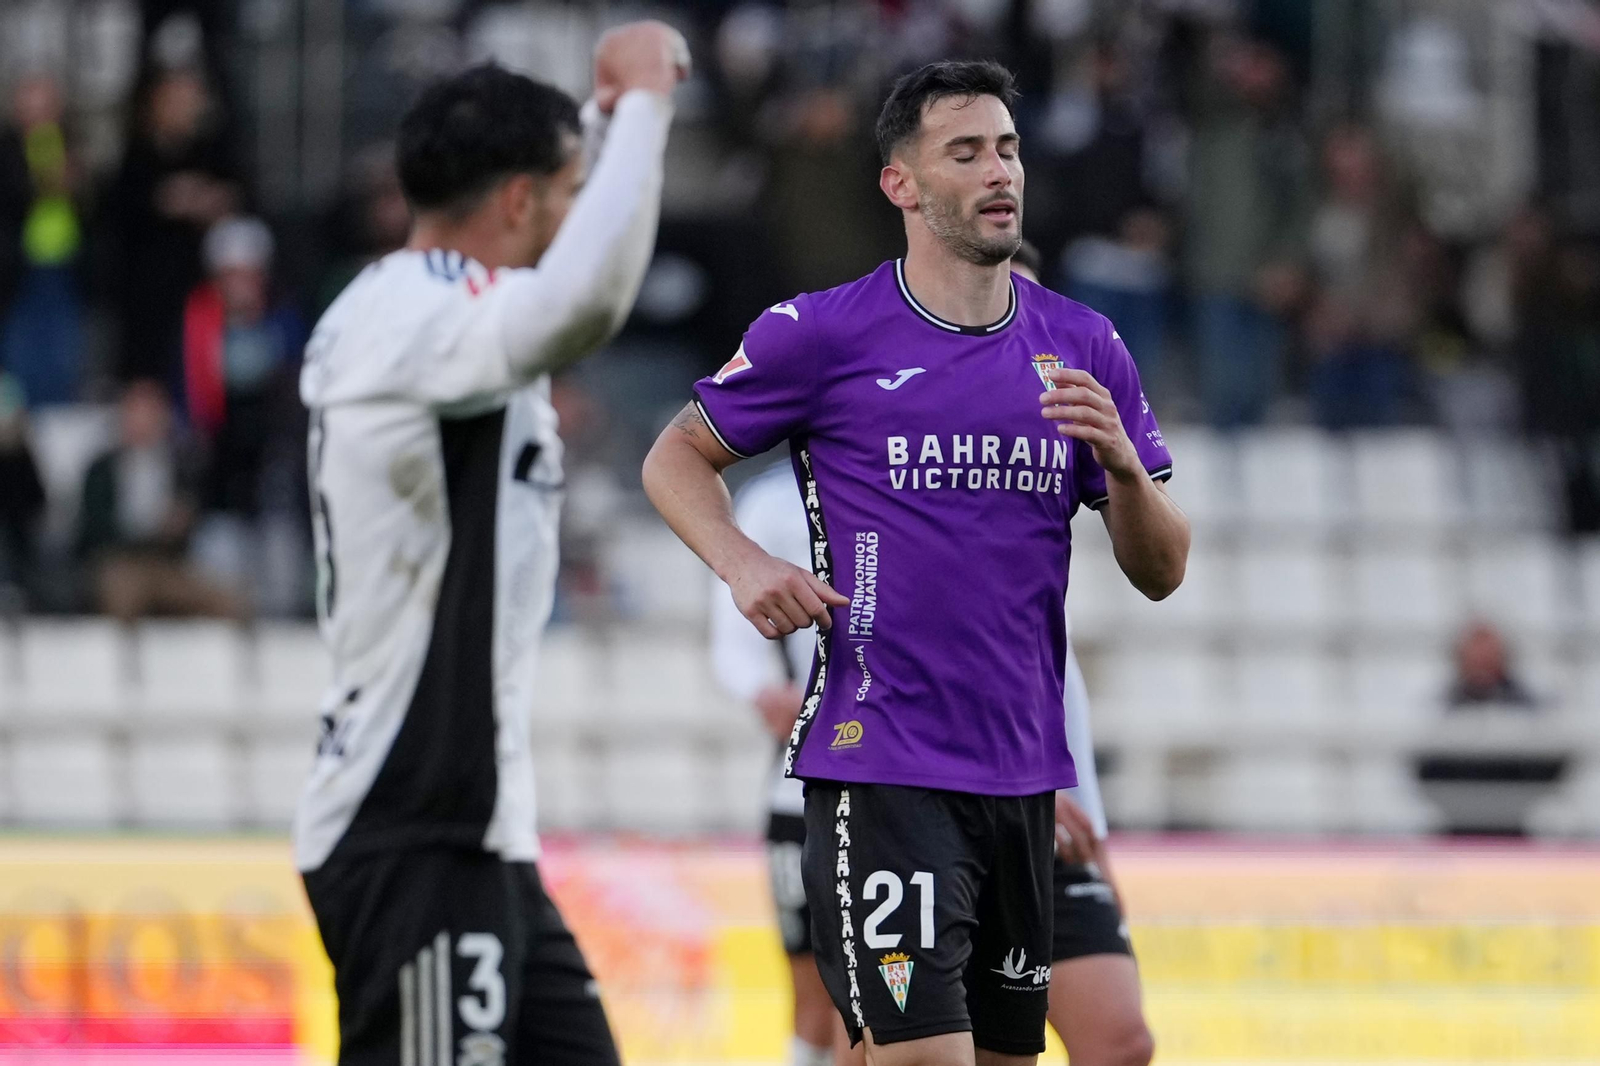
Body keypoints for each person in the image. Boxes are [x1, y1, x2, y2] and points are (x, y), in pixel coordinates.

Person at [644, 59, 1188, 1065]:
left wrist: (1123, 466)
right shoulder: (823, 332)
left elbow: (1162, 570)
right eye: (965, 152)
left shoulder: (1084, 343)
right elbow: (673, 456)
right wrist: (742, 563)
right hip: (882, 766)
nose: (999, 172)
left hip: (1023, 778)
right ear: (901, 183)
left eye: (1008, 149)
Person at [293, 25, 687, 1066]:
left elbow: (549, 263)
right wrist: (647, 111)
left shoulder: (419, 311)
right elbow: (583, 303)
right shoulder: (415, 316)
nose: (579, 216)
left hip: (476, 829)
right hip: (412, 816)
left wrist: (599, 123)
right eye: (568, 194)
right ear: (518, 201)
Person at [1010, 243, 1153, 1066]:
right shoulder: (894, 453)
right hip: (943, 798)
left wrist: (1126, 468)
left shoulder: (1061, 449)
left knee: (1121, 1043)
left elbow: (1055, 666)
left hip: (1053, 809)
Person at [709, 463, 839, 1066]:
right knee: (815, 1002)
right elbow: (732, 641)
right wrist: (769, 693)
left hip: (900, 784)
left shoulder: (909, 470)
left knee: (879, 1003)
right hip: (800, 792)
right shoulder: (772, 501)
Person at [76, 378, 244, 621]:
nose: (144, 420)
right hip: (120, 563)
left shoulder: (180, 466)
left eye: (151, 412)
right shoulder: (101, 469)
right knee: (123, 599)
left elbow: (193, 522)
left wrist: (181, 524)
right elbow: (93, 528)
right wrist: (144, 530)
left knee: (231, 602)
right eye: (137, 411)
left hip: (168, 566)